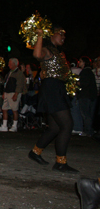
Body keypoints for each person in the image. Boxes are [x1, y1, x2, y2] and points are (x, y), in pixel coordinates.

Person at [28, 27, 79, 173]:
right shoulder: (47, 49)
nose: (63, 37)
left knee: (55, 127)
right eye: (60, 34)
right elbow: (37, 54)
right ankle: (60, 162)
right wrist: (39, 35)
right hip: (52, 89)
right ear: (51, 35)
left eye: (65, 35)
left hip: (56, 88)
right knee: (67, 124)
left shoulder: (58, 52)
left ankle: (35, 152)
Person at [0, 58, 26, 132]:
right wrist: (4, 92)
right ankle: (4, 125)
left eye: (10, 63)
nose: (8, 64)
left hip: (13, 92)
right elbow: (6, 83)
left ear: (14, 64)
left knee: (14, 109)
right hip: (7, 92)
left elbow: (19, 85)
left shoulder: (18, 73)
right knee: (4, 108)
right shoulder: (10, 72)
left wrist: (16, 94)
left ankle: (14, 126)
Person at [77, 56, 97, 137]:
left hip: (85, 96)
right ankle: (90, 130)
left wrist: (77, 83)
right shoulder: (90, 72)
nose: (79, 63)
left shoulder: (85, 72)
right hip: (91, 96)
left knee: (85, 114)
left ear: (84, 63)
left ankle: (88, 131)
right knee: (89, 114)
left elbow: (84, 83)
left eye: (80, 61)